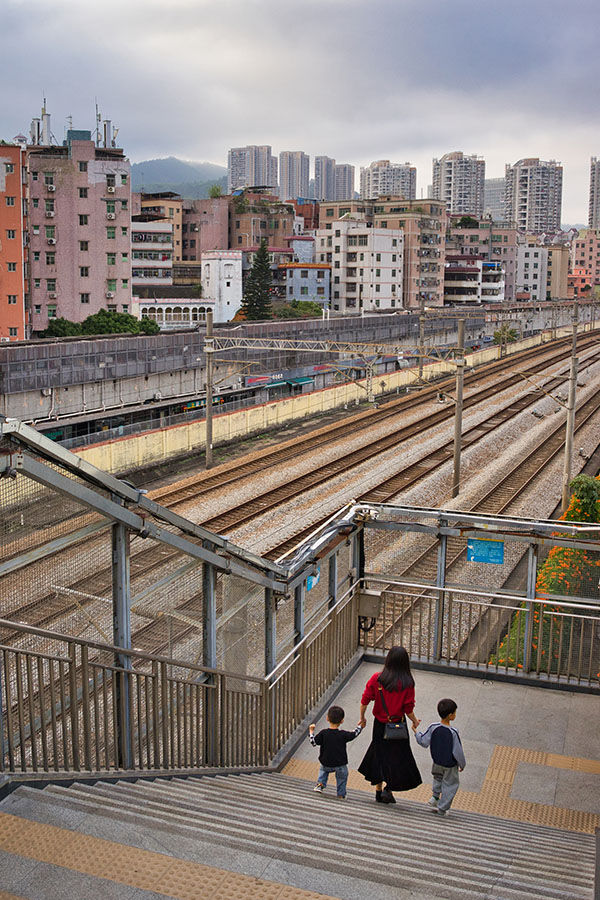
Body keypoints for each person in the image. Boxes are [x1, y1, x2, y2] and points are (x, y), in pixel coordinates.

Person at [357, 646, 422, 804]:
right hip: (398, 725)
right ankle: (389, 788)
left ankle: (378, 791)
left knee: (379, 755)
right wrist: (414, 720)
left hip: (380, 724)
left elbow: (365, 700)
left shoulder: (377, 679)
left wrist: (362, 718)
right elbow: (408, 709)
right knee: (398, 757)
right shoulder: (408, 683)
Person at [415, 698, 466, 816]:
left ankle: (435, 797)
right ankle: (442, 809)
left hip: (436, 761)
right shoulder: (453, 732)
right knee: (450, 784)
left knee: (437, 778)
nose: (455, 715)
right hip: (449, 765)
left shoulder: (433, 727)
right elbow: (457, 751)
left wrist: (416, 733)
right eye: (454, 713)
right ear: (450, 715)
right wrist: (462, 764)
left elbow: (423, 741)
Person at [309, 705, 362, 799]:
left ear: (327, 718)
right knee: (342, 778)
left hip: (325, 762)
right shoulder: (343, 735)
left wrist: (311, 731)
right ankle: (341, 794)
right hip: (340, 764)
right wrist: (360, 726)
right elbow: (354, 734)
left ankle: (320, 784)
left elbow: (313, 742)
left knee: (323, 770)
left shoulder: (323, 733)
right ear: (342, 721)